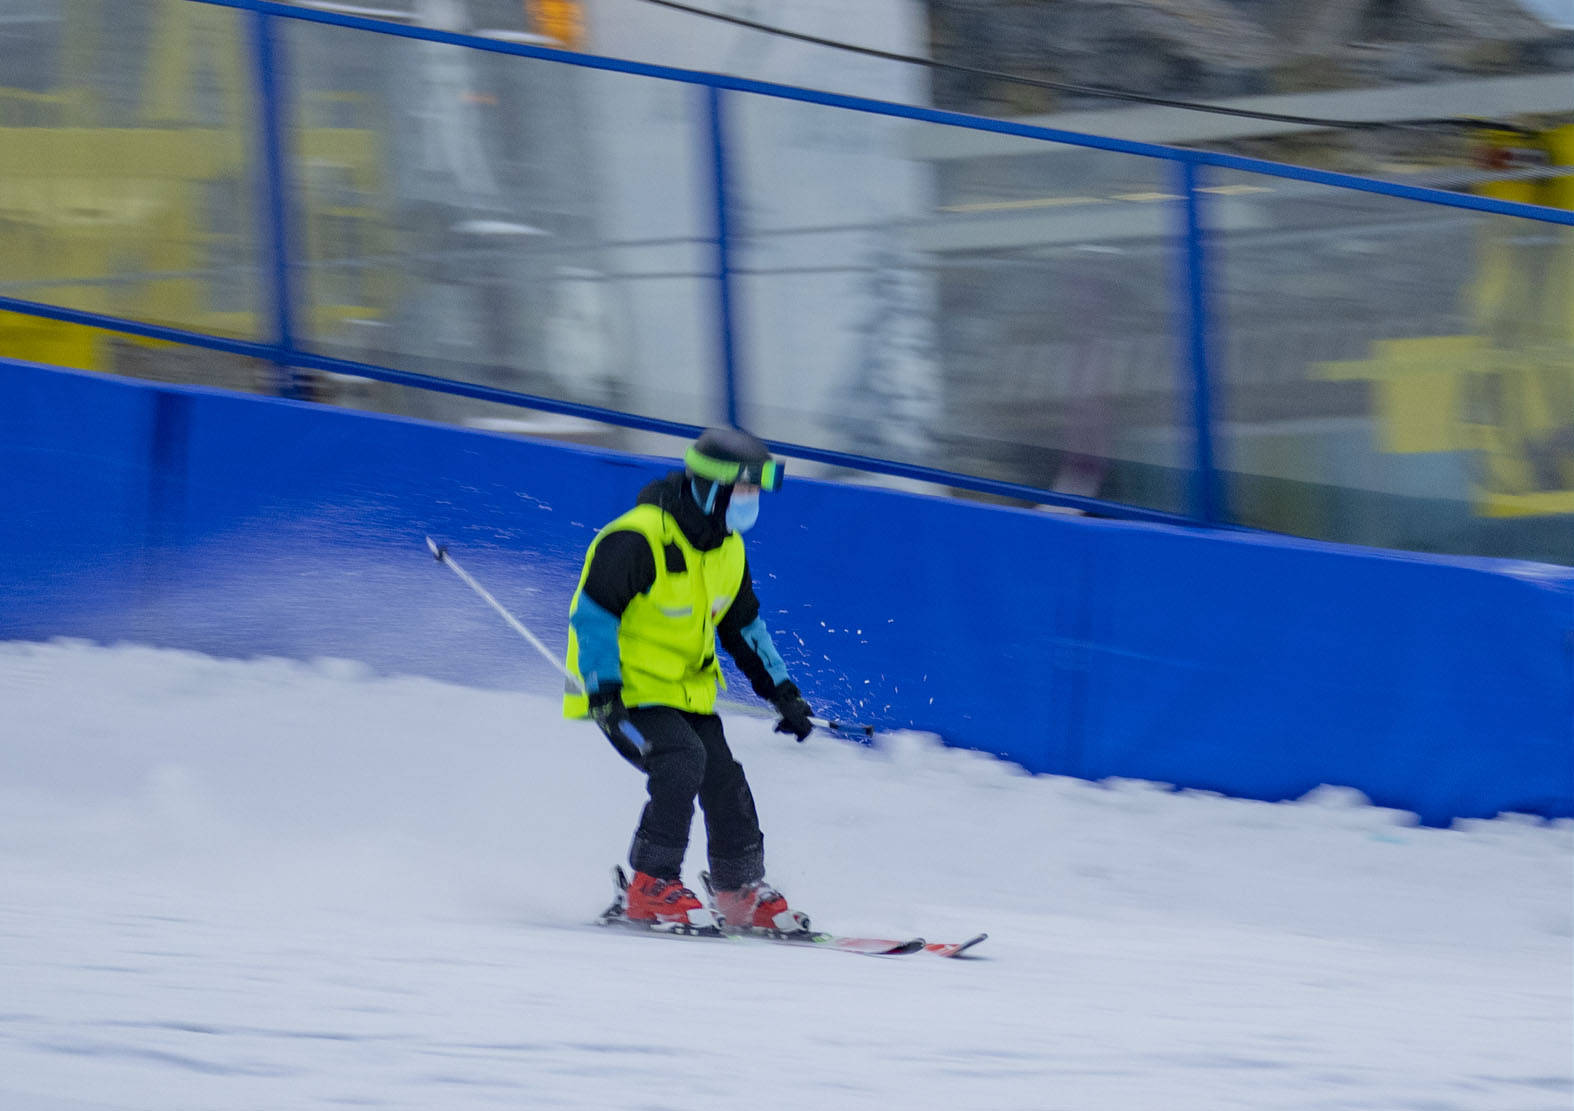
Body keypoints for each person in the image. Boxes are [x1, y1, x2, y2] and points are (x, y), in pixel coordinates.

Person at [563, 427, 817, 932]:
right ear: (710, 489)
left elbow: (744, 628)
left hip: (685, 696)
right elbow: (592, 617)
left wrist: (783, 693)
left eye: (754, 493)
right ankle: (649, 886)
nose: (750, 503)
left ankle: (738, 889)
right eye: (743, 492)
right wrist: (602, 692)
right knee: (681, 761)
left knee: (724, 776)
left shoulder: (729, 550)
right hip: (624, 696)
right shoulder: (637, 538)